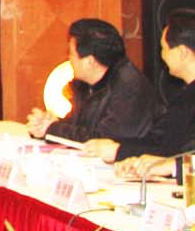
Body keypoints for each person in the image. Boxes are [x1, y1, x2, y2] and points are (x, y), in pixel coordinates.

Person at [84, 9, 195, 164]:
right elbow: (158, 140)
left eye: (164, 48)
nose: (162, 56)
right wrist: (116, 147)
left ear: (183, 52)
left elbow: (176, 152)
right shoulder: (185, 95)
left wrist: (118, 151)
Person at [27, 17, 161, 143]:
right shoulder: (86, 85)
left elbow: (105, 141)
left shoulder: (130, 87)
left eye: (71, 54)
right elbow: (79, 128)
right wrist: (48, 124)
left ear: (90, 61)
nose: (69, 60)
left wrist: (52, 129)